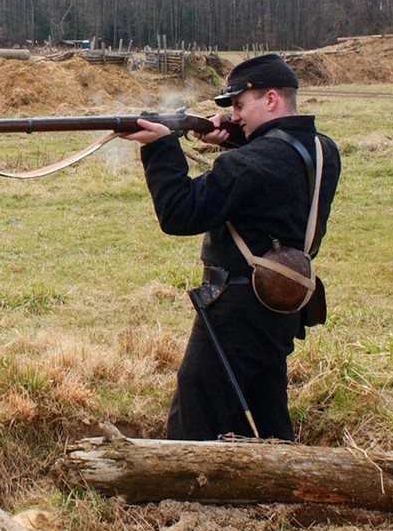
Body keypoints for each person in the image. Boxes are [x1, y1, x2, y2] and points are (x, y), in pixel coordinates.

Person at [122, 53, 341, 440]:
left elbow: (179, 213)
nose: (235, 115)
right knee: (264, 408)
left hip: (236, 307)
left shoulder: (255, 162)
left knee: (197, 405)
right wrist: (232, 136)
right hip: (281, 305)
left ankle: (184, 491)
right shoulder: (325, 151)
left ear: (270, 99)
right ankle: (277, 490)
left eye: (240, 105)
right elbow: (282, 158)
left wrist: (161, 146)